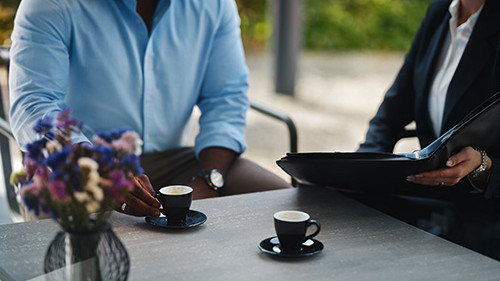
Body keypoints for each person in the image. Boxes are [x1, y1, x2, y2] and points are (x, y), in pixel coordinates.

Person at [9, 0, 291, 219]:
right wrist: (97, 167)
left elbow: (225, 99)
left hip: (177, 162)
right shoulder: (50, 4)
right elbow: (35, 106)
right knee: (95, 248)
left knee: (284, 201)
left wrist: (208, 180)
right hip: (76, 164)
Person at [355, 0, 500, 259]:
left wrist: (484, 165)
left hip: (487, 211)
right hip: (435, 200)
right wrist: (358, 172)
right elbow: (390, 114)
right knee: (338, 208)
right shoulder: (439, 11)